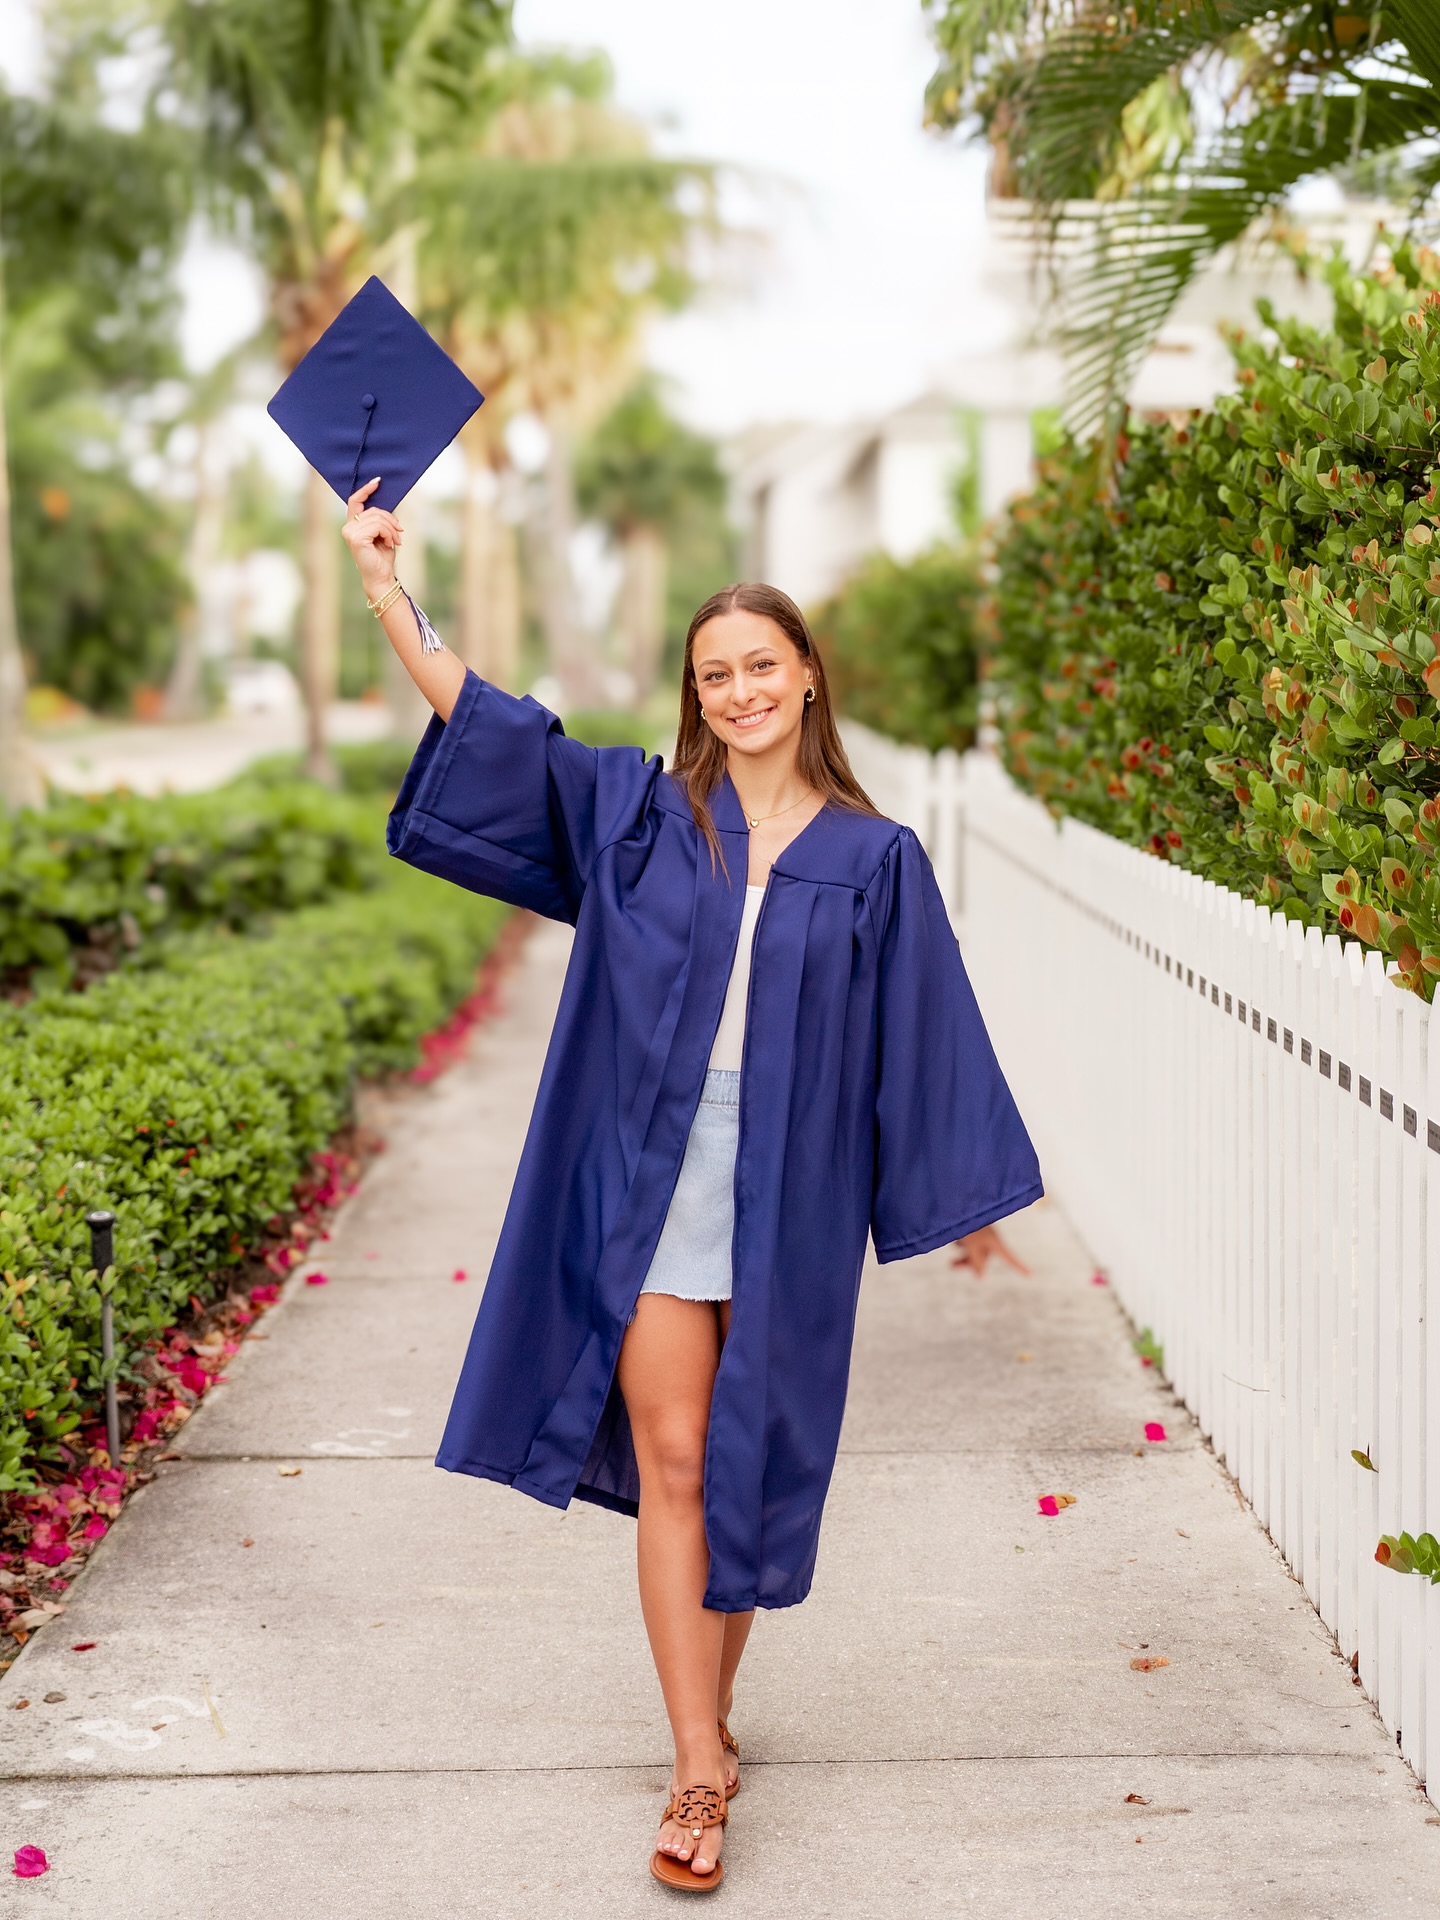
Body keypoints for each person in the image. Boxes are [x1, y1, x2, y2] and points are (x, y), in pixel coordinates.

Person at [341, 479, 1042, 1892]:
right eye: (712, 674)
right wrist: (383, 590)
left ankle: (708, 1724)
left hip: (793, 1189)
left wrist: (965, 1210)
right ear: (695, 694)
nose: (737, 692)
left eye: (760, 667)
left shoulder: (877, 863)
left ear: (807, 677)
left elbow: (929, 1032)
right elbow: (488, 723)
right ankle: (697, 1759)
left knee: (745, 1468)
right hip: (656, 1180)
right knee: (673, 1462)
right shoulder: (636, 816)